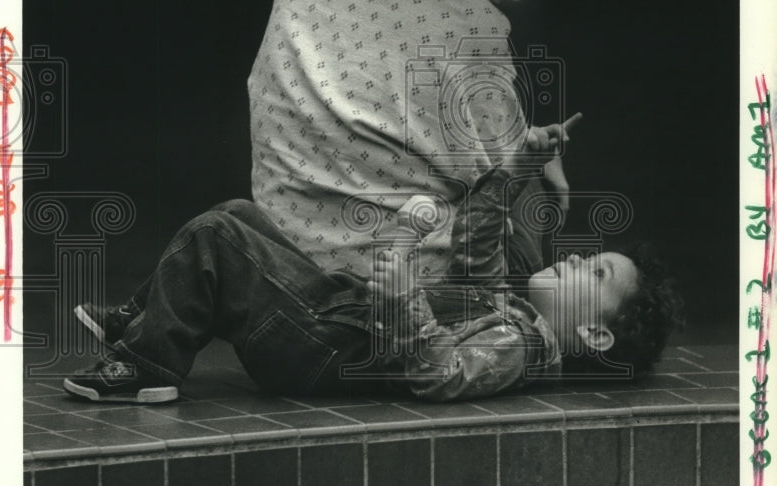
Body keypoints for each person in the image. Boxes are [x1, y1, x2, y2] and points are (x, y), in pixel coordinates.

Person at [62, 131, 682, 405]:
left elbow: (439, 375)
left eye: (595, 275)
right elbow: (477, 241)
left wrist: (406, 298)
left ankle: (143, 368)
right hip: (335, 321)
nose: (574, 259)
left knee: (217, 235)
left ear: (594, 335)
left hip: (323, 349)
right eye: (588, 258)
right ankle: (141, 319)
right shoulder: (512, 310)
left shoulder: (517, 344)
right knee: (239, 213)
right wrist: (520, 165)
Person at [248, 0, 590, 282]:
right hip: (411, 279)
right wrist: (532, 157)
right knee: (528, 195)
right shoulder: (474, 25)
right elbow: (496, 181)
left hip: (279, 262)